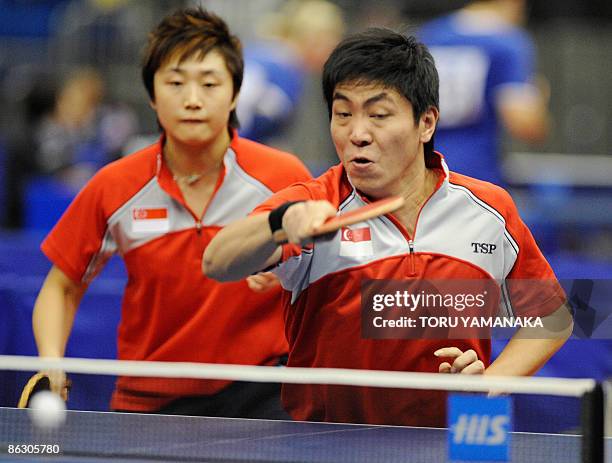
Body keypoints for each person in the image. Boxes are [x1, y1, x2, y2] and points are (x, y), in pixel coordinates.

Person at [203, 29, 572, 427]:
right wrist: (280, 224)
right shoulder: (312, 203)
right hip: (328, 444)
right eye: (343, 114)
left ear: (426, 122)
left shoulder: (488, 210)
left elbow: (553, 318)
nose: (357, 134)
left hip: (451, 439)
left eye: (378, 115)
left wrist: (491, 382)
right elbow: (218, 261)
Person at [32, 7, 311, 418]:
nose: (193, 99)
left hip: (263, 395)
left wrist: (287, 272)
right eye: (175, 83)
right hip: (149, 400)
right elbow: (62, 287)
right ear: (152, 95)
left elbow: (324, 275)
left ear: (234, 93)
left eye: (210, 83)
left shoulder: (282, 176)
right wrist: (50, 361)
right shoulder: (115, 185)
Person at [418, 0, 550, 185]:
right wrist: (539, 98)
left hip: (422, 171)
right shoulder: (507, 43)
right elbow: (523, 124)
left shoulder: (430, 34)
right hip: (475, 178)